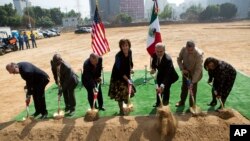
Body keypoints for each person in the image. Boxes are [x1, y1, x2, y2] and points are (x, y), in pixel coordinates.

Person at [108, 39, 136, 116]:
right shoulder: (118, 56)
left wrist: (131, 69)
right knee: (120, 95)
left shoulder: (130, 52)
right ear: (121, 47)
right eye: (123, 46)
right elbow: (119, 70)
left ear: (129, 45)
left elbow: (130, 62)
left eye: (126, 45)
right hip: (118, 76)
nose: (125, 47)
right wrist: (127, 79)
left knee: (127, 92)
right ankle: (121, 110)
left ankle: (127, 107)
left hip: (126, 74)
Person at [176, 40, 203, 108]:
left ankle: (192, 105)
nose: (190, 52)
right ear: (186, 47)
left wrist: (193, 82)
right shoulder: (183, 49)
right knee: (184, 88)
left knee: (193, 90)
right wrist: (182, 69)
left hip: (195, 73)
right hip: (186, 71)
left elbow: (198, 69)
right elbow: (179, 59)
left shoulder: (199, 55)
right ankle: (182, 101)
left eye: (192, 50)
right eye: (188, 50)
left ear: (194, 47)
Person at [150, 43, 179, 107]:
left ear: (164, 50)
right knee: (158, 89)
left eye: (161, 51)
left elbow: (167, 75)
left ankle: (165, 103)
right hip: (161, 74)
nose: (159, 53)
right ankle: (158, 103)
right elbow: (154, 64)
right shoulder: (154, 55)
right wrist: (153, 69)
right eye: (157, 51)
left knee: (165, 88)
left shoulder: (168, 60)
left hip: (170, 76)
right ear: (155, 50)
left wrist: (163, 85)